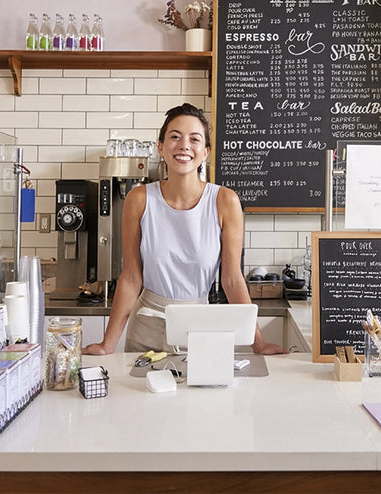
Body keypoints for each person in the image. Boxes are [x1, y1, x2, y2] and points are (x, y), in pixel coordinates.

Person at [82, 103, 287, 356]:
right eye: (175, 137)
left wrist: (259, 344)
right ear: (161, 147)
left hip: (198, 326)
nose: (184, 146)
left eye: (194, 139)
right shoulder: (139, 199)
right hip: (146, 325)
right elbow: (132, 277)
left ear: (206, 152)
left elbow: (232, 279)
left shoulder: (225, 201)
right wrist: (107, 344)